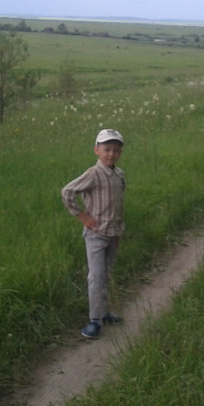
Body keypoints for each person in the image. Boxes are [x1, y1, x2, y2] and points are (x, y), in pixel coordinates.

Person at [61, 128, 126, 339]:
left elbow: (118, 204)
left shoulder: (119, 174)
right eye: (107, 149)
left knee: (106, 274)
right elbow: (68, 192)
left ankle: (104, 312)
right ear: (96, 150)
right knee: (96, 276)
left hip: (112, 234)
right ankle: (94, 320)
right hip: (96, 235)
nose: (111, 154)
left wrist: (117, 233)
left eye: (116, 150)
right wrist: (80, 215)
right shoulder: (93, 174)